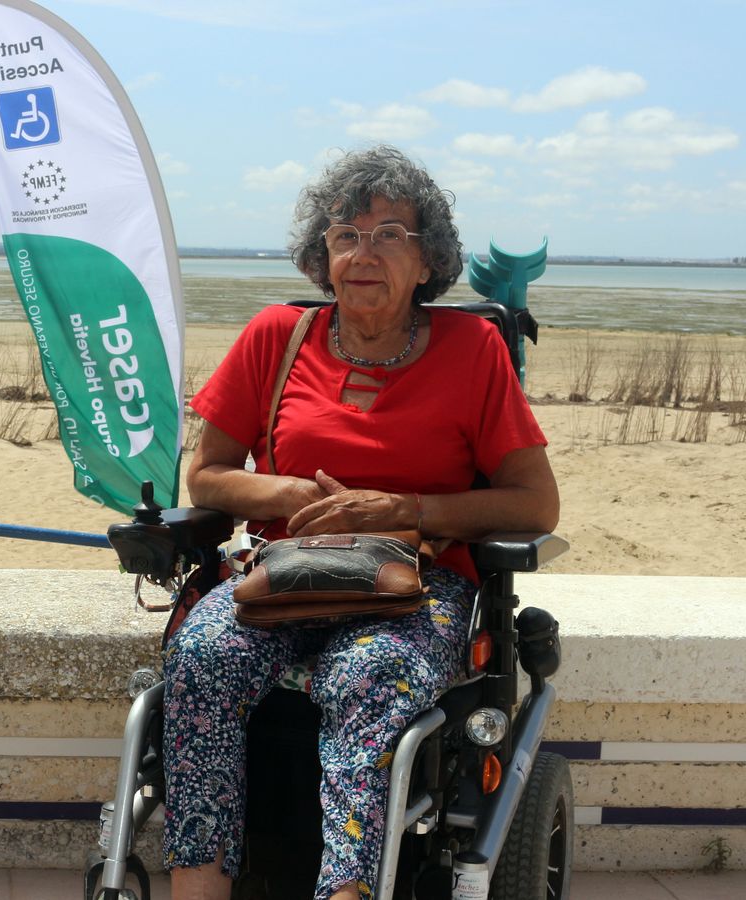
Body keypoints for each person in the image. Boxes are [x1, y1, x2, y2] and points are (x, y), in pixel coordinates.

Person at [161, 145, 558, 900]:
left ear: (427, 261)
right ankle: (199, 889)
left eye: (388, 236)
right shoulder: (276, 336)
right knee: (202, 658)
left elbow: (535, 504)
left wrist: (406, 511)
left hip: (421, 581)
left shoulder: (472, 350)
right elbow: (207, 475)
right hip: (286, 572)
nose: (363, 253)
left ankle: (346, 893)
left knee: (366, 675)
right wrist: (287, 499)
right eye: (346, 235)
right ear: (323, 257)